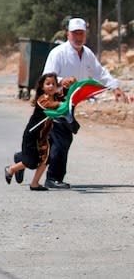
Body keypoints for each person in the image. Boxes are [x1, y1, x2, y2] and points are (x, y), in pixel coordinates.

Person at [42, 17, 128, 189]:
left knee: (51, 141)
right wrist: (61, 80)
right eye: (75, 33)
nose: (78, 37)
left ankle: (21, 160)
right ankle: (53, 178)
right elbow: (46, 78)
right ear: (68, 34)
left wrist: (115, 87)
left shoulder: (87, 53)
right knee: (62, 139)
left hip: (70, 102)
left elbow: (99, 72)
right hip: (55, 102)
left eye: (81, 33)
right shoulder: (58, 53)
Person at [5, 73, 62, 191]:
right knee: (32, 162)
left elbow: (65, 95)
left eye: (53, 84)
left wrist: (69, 86)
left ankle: (35, 183)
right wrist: (61, 104)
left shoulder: (56, 97)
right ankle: (11, 169)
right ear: (42, 86)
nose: (51, 86)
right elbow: (51, 106)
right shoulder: (42, 100)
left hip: (43, 137)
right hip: (32, 136)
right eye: (48, 84)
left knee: (45, 160)